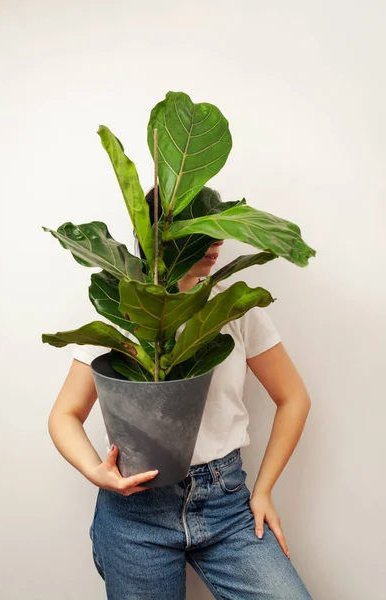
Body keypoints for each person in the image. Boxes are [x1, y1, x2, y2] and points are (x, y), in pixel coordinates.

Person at [48, 188, 313, 599]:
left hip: (226, 502)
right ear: (159, 234)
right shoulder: (122, 310)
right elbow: (64, 414)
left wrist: (263, 491)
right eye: (200, 228)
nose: (217, 242)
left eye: (218, 227)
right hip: (137, 512)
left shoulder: (234, 307)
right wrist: (93, 470)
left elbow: (293, 398)